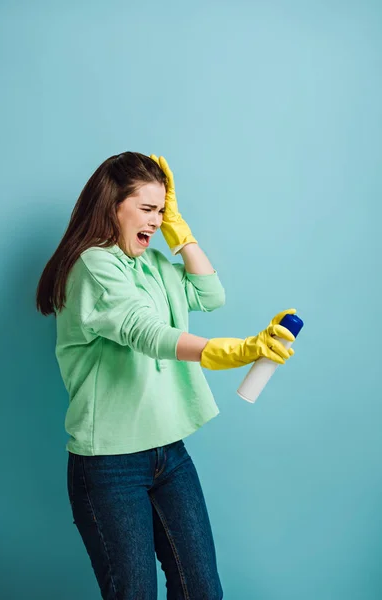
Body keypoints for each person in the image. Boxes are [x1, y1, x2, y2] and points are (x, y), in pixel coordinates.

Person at [35, 151, 296, 600]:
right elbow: (144, 331)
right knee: (134, 593)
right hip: (110, 463)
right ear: (113, 205)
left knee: (202, 590)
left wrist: (178, 227)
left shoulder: (152, 266)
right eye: (147, 209)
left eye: (162, 210)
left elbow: (210, 294)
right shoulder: (94, 267)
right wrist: (229, 352)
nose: (155, 221)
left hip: (167, 453)